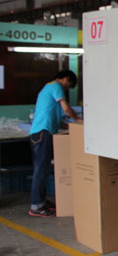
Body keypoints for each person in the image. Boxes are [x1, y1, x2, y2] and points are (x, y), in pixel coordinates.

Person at [28, 70, 80, 217]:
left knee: (43, 169)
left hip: (42, 133)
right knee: (40, 169)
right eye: (69, 85)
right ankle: (36, 206)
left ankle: (41, 201)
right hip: (42, 133)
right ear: (65, 79)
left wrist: (72, 126)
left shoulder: (48, 89)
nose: (67, 88)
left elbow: (58, 120)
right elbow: (66, 108)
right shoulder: (55, 86)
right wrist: (78, 120)